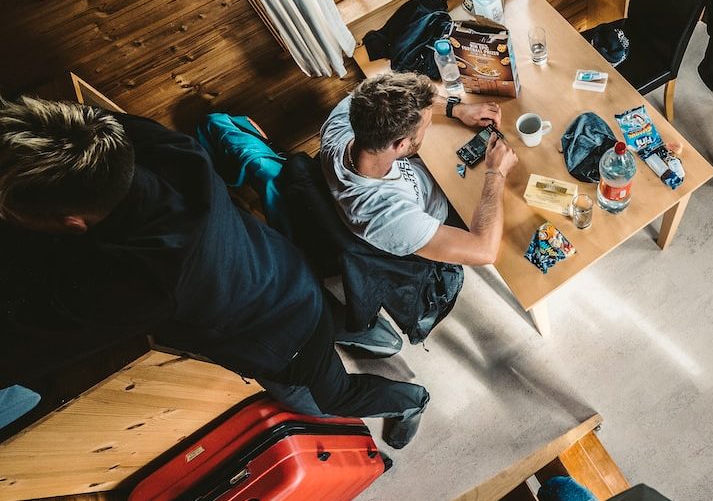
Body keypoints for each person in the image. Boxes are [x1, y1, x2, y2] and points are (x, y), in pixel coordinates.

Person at [0, 96, 427, 448]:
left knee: (327, 401)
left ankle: (411, 399)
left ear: (71, 222)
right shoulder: (139, 144)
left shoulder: (148, 279)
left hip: (283, 338)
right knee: (327, 317)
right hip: (283, 267)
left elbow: (25, 349)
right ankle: (378, 337)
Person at [320, 72, 517, 266]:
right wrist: (495, 173)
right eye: (426, 126)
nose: (428, 127)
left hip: (426, 175)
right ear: (401, 145)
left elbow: (386, 92)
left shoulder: (344, 120)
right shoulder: (387, 216)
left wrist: (457, 109)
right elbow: (484, 251)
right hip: (439, 217)